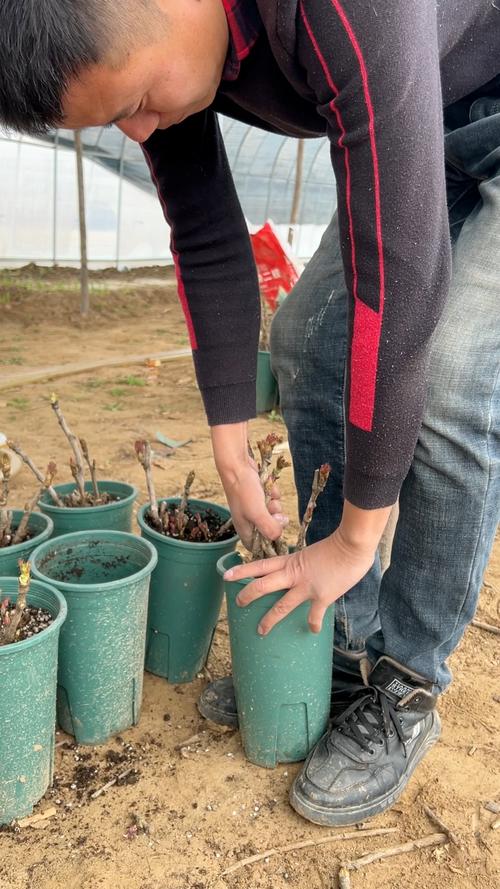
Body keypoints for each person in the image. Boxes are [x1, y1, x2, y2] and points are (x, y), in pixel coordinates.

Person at [1, 0, 499, 827]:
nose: (138, 130)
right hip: (431, 110)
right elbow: (203, 233)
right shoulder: (159, 61)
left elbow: (400, 277)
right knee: (306, 335)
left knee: (448, 379)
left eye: (130, 105)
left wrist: (354, 537)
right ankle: (340, 632)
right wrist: (231, 451)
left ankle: (407, 682)